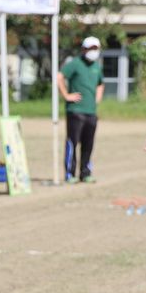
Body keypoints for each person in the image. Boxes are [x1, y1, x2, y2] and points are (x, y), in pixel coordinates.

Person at [57, 35, 105, 183]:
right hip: (75, 110)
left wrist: (97, 99)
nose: (93, 51)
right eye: (91, 48)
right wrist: (66, 95)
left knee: (88, 144)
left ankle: (85, 172)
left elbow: (100, 84)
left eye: (96, 48)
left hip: (91, 112)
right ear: (83, 49)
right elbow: (59, 76)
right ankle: (70, 174)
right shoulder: (75, 64)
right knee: (73, 142)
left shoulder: (97, 66)